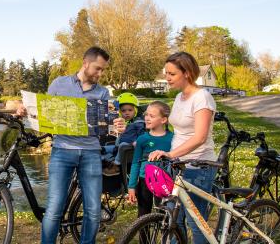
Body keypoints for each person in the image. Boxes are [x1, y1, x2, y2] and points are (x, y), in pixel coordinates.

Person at [16, 46, 126, 244]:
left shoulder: (102, 93)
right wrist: (26, 112)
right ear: (85, 63)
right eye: (97, 68)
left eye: (103, 70)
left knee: (93, 210)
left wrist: (117, 125)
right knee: (54, 209)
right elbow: (43, 115)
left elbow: (108, 125)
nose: (100, 74)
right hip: (62, 151)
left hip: (91, 153)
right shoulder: (59, 84)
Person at [148, 51, 217, 244]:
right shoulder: (179, 97)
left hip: (199, 165)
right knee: (173, 220)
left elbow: (200, 137)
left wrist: (170, 153)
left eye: (171, 74)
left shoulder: (202, 97)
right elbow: (177, 130)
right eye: (166, 73)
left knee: (196, 223)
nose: (166, 78)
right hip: (177, 165)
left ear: (186, 73)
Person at [126, 101, 173, 217]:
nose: (147, 118)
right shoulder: (142, 139)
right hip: (144, 180)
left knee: (164, 215)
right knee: (143, 216)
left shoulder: (173, 138)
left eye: (151, 116)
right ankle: (144, 236)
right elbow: (136, 163)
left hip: (164, 181)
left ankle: (164, 235)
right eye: (146, 114)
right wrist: (131, 186)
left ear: (163, 120)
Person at [102, 92, 146, 176]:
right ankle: (104, 159)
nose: (127, 113)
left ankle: (116, 166)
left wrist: (137, 142)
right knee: (102, 148)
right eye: (123, 111)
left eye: (130, 110)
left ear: (135, 111)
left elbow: (142, 135)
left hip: (129, 149)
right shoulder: (122, 122)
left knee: (123, 145)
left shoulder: (138, 123)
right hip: (117, 147)